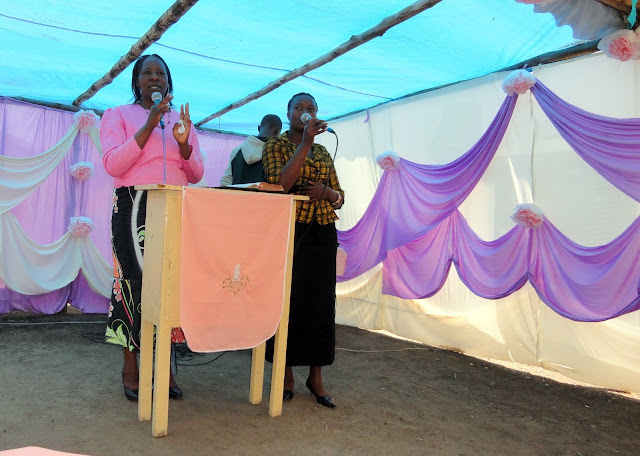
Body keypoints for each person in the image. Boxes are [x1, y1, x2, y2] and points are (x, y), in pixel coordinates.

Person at [101, 54, 204, 401]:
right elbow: (113, 164)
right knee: (133, 284)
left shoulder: (182, 121)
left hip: (175, 206)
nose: (155, 78)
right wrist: (148, 124)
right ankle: (131, 365)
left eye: (161, 73)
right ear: (137, 81)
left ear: (168, 81)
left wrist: (185, 143)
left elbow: (197, 173)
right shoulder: (118, 115)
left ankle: (164, 366)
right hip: (133, 206)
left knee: (170, 286)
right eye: (148, 73)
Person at [262, 93, 345, 408]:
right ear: (288, 114)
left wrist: (329, 193)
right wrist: (305, 143)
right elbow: (279, 185)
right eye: (298, 107)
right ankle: (285, 376)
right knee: (288, 303)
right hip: (289, 230)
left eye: (311, 108)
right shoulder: (276, 145)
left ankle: (316, 378)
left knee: (320, 305)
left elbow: (340, 196)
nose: (305, 112)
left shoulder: (323, 151)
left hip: (322, 232)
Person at [220, 114, 282, 186]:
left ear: (259, 128)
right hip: (265, 193)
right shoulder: (275, 152)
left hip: (237, 193)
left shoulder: (237, 151)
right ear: (278, 131)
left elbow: (226, 181)